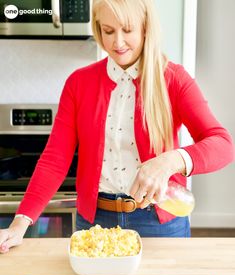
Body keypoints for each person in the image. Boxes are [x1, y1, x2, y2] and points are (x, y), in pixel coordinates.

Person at [0, 0, 234, 253]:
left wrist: (170, 161)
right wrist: (20, 222)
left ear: (145, 28)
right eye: (108, 31)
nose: (118, 42)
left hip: (159, 222)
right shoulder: (79, 83)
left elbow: (223, 145)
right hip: (95, 222)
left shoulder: (174, 79)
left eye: (127, 29)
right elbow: (55, 159)